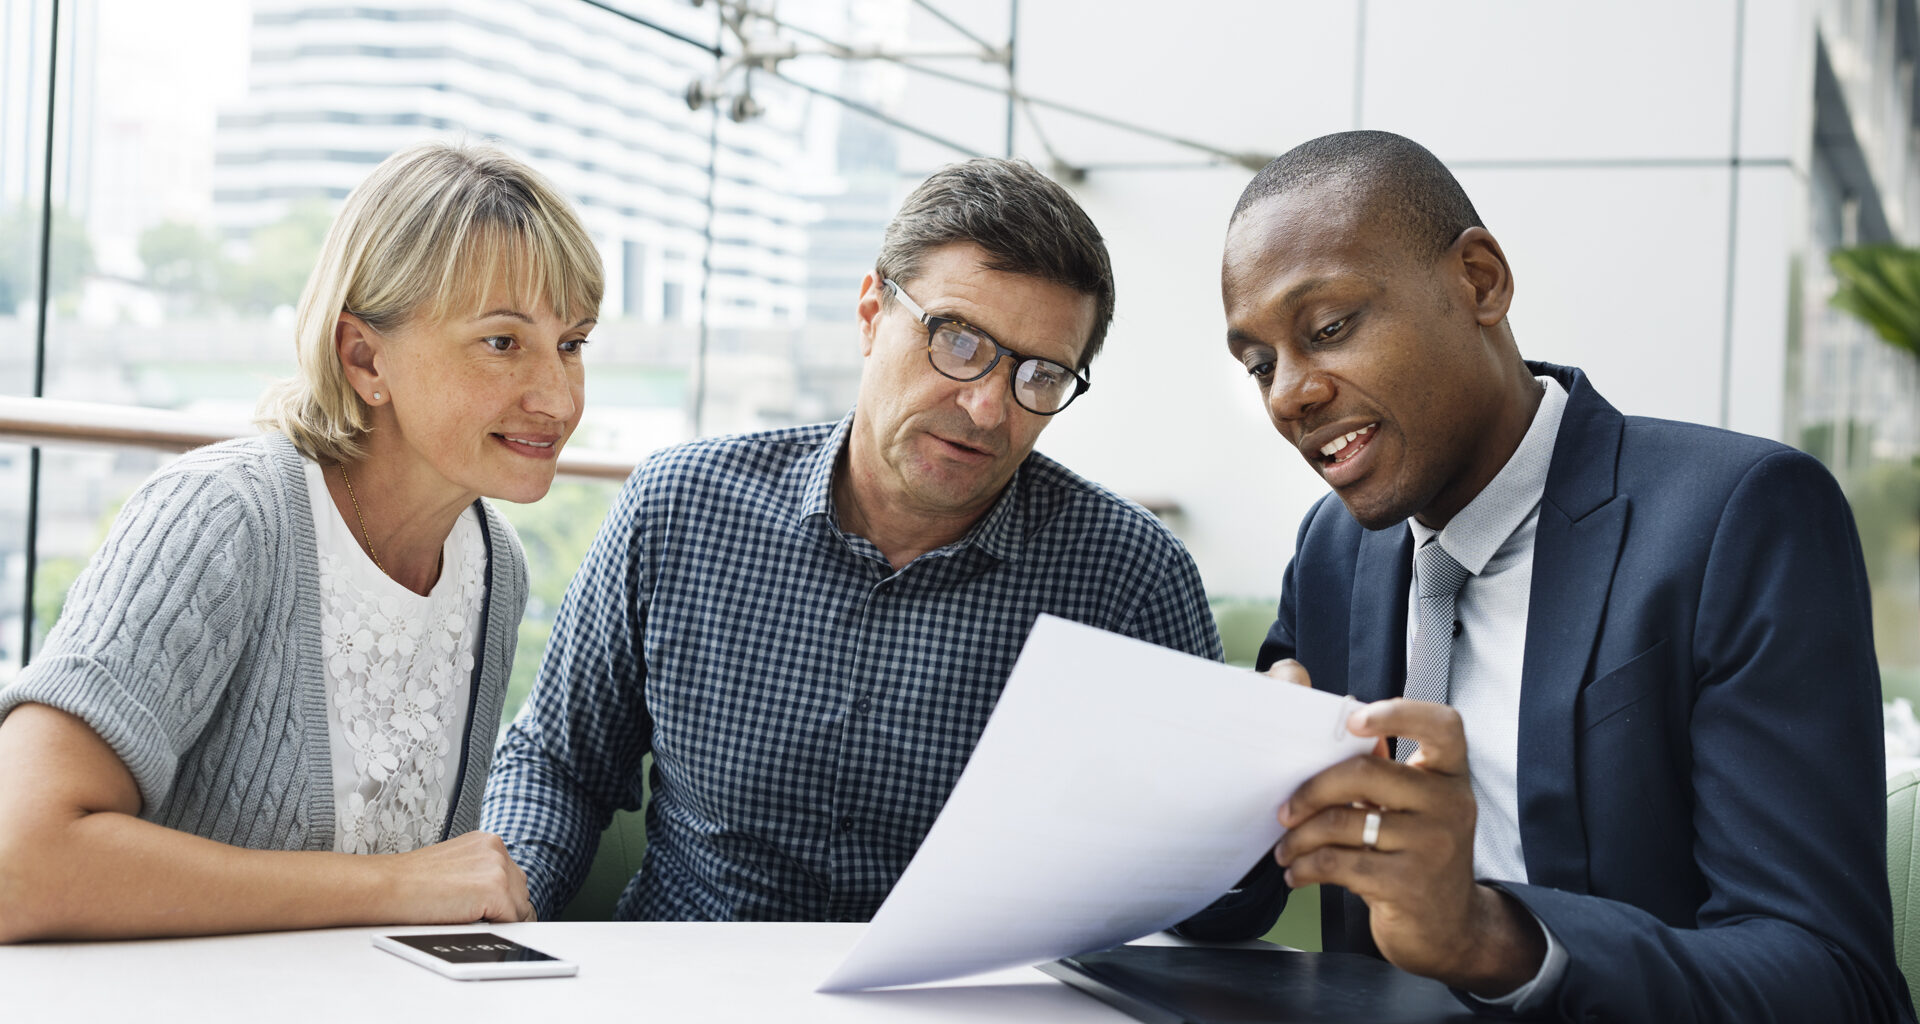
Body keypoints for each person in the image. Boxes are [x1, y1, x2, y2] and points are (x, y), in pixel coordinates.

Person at [1211, 130, 1914, 1020]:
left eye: (1329, 329)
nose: (1287, 395)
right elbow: (1242, 898)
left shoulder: (1741, 518)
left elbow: (1831, 981)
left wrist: (1492, 937)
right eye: (1260, 363)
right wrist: (1212, 802)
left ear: (1479, 282)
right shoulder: (1334, 551)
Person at [482, 157, 1223, 923]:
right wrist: (500, 910)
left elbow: (1206, 888)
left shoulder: (1130, 576)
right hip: (688, 984)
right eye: (959, 341)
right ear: (873, 313)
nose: (986, 408)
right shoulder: (681, 507)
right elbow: (558, 766)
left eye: (1039, 377)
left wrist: (1255, 805)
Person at [0, 140, 603, 942]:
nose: (558, 398)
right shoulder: (221, 518)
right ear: (363, 357)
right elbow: (20, 861)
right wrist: (390, 886)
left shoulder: (494, 568)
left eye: (572, 344)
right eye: (502, 342)